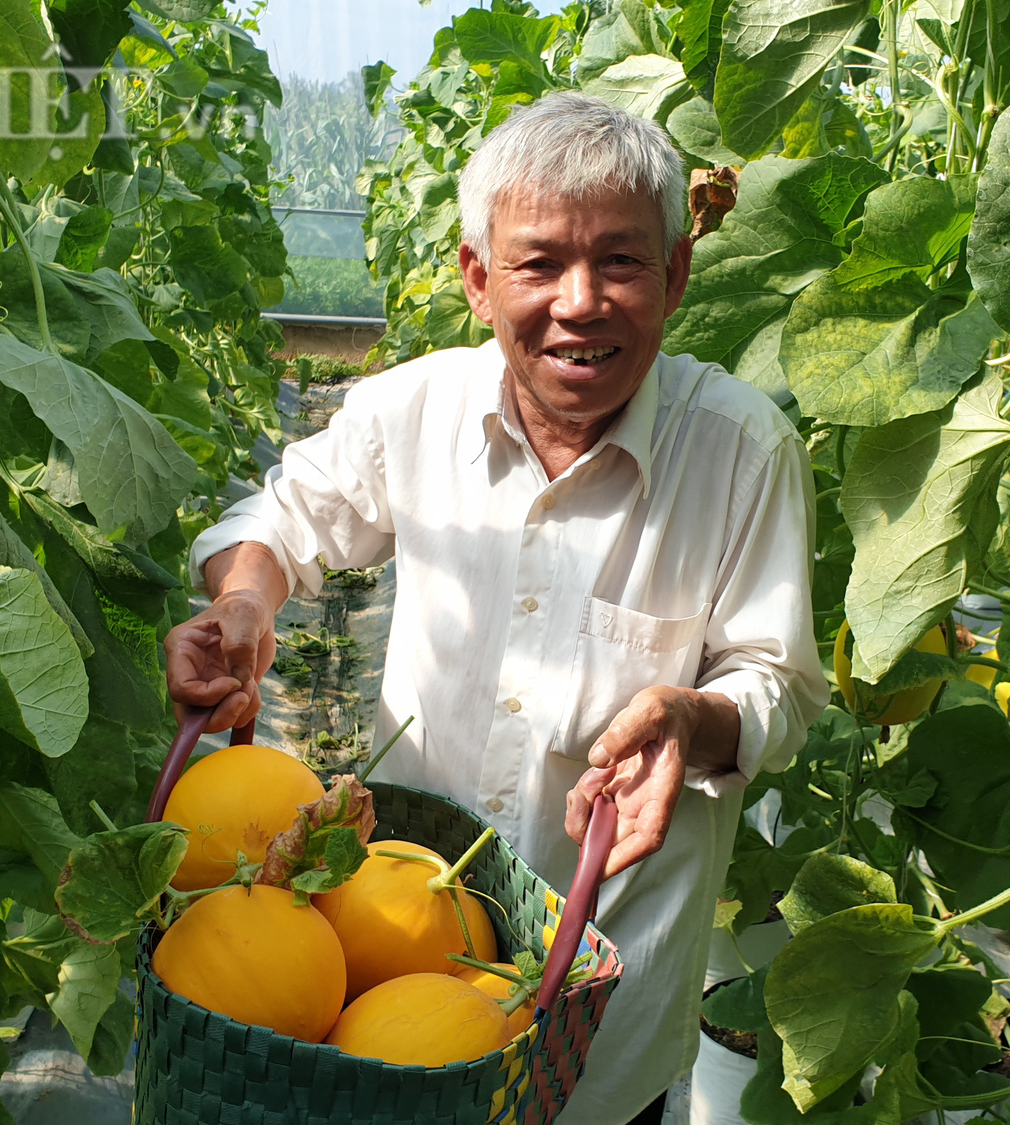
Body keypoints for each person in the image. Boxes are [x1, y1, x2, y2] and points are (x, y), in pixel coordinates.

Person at [164, 91, 827, 1124]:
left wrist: (693, 718)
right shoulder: (412, 409)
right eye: (538, 263)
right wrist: (246, 602)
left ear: (676, 275)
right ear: (478, 280)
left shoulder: (742, 451)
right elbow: (283, 516)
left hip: (602, 1028)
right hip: (386, 993)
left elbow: (776, 680)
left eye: (618, 261)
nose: (579, 301)